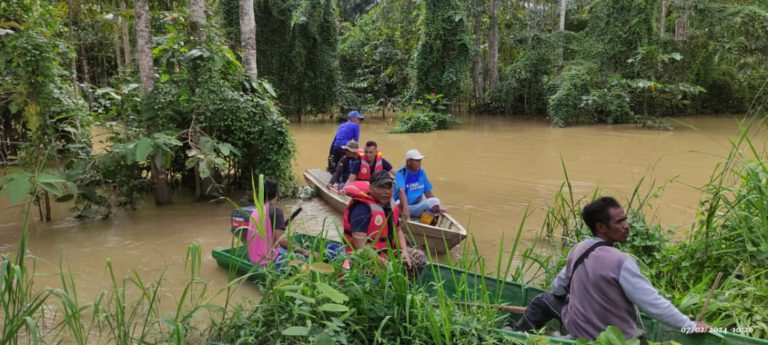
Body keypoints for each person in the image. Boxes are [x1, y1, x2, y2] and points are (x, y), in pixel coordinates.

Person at [513, 197, 708, 339]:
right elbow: (653, 304)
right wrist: (689, 326)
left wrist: (577, 298)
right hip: (616, 339)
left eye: (625, 219)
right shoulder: (622, 262)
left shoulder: (579, 249)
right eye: (619, 222)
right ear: (601, 227)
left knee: (543, 300)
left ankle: (515, 334)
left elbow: (557, 288)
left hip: (582, 333)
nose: (626, 226)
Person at [342, 171, 426, 269]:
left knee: (419, 257)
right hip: (367, 255)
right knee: (386, 269)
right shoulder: (362, 209)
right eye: (381, 187)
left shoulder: (391, 205)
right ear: (371, 188)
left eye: (389, 187)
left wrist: (404, 251)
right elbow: (360, 247)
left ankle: (407, 277)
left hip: (388, 250)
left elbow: (398, 230)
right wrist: (385, 263)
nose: (387, 192)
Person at [246, 179, 310, 265]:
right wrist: (303, 251)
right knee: (303, 258)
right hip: (267, 261)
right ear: (277, 193)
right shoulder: (276, 211)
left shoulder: (256, 210)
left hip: (251, 258)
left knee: (283, 249)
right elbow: (281, 241)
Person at [394, 149, 443, 222]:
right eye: (417, 161)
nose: (419, 163)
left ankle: (424, 223)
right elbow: (401, 191)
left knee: (435, 201)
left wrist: (438, 206)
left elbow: (428, 193)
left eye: (420, 160)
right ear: (408, 161)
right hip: (403, 207)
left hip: (417, 205)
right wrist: (405, 210)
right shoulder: (401, 173)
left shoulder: (421, 173)